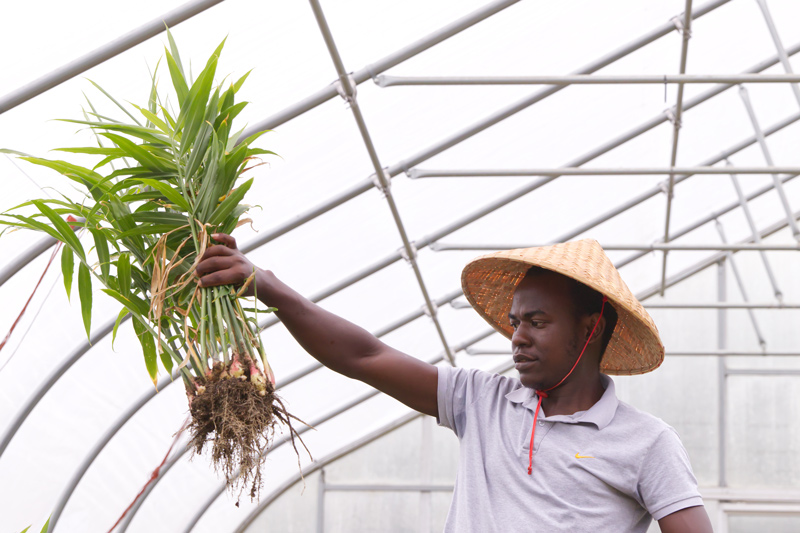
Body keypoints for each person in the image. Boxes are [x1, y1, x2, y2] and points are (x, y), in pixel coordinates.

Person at [195, 234, 712, 533]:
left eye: (537, 322)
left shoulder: (647, 444)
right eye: (515, 322)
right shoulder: (482, 401)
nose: (518, 337)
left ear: (590, 328)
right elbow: (363, 355)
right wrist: (268, 287)